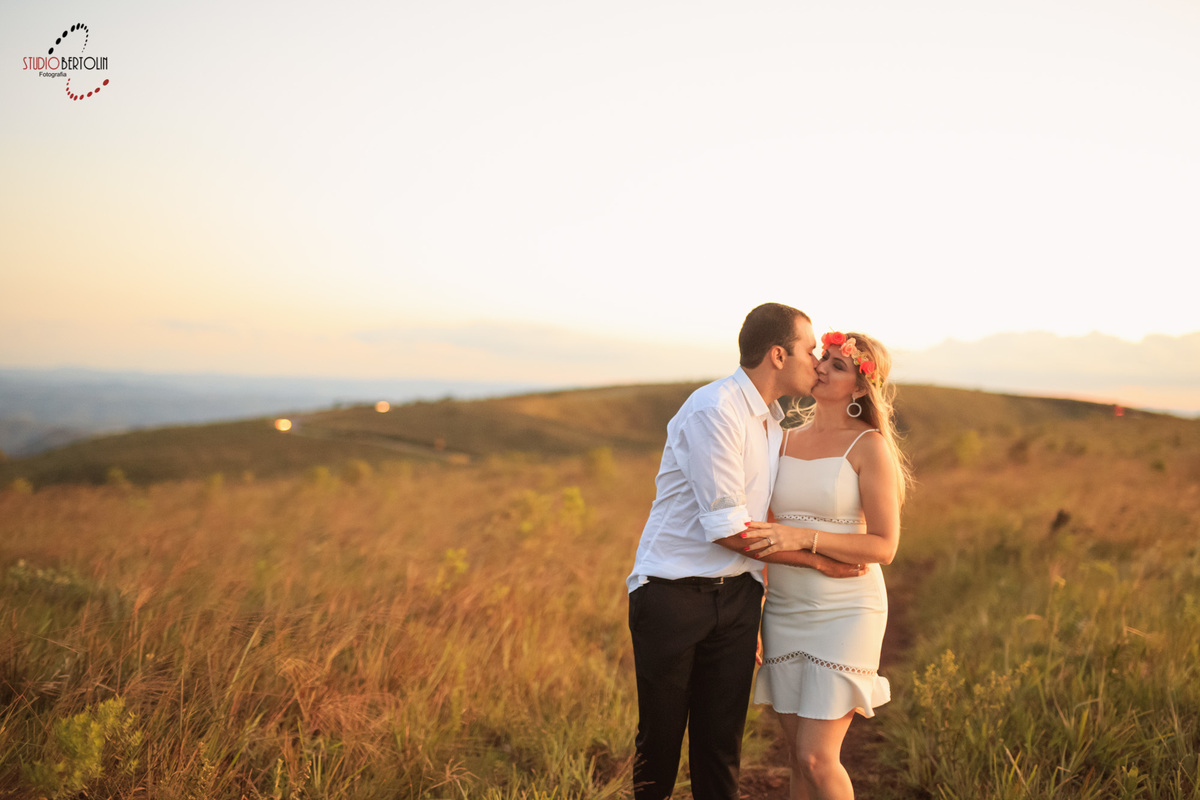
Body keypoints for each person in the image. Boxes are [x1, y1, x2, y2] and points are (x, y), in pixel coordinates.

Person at [626, 305, 866, 800]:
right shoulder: (715, 409)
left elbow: (767, 519)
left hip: (736, 597)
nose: (818, 362)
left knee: (720, 747)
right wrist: (819, 561)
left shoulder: (773, 425)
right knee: (661, 742)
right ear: (778, 355)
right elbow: (728, 530)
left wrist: (753, 603)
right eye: (809, 350)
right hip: (672, 594)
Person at [740, 330, 912, 800]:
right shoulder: (782, 438)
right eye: (824, 358)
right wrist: (755, 610)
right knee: (798, 758)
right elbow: (759, 530)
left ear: (860, 387)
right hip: (785, 608)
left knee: (818, 757)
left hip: (847, 609)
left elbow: (884, 546)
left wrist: (806, 538)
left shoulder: (869, 446)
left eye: (838, 365)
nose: (821, 367)